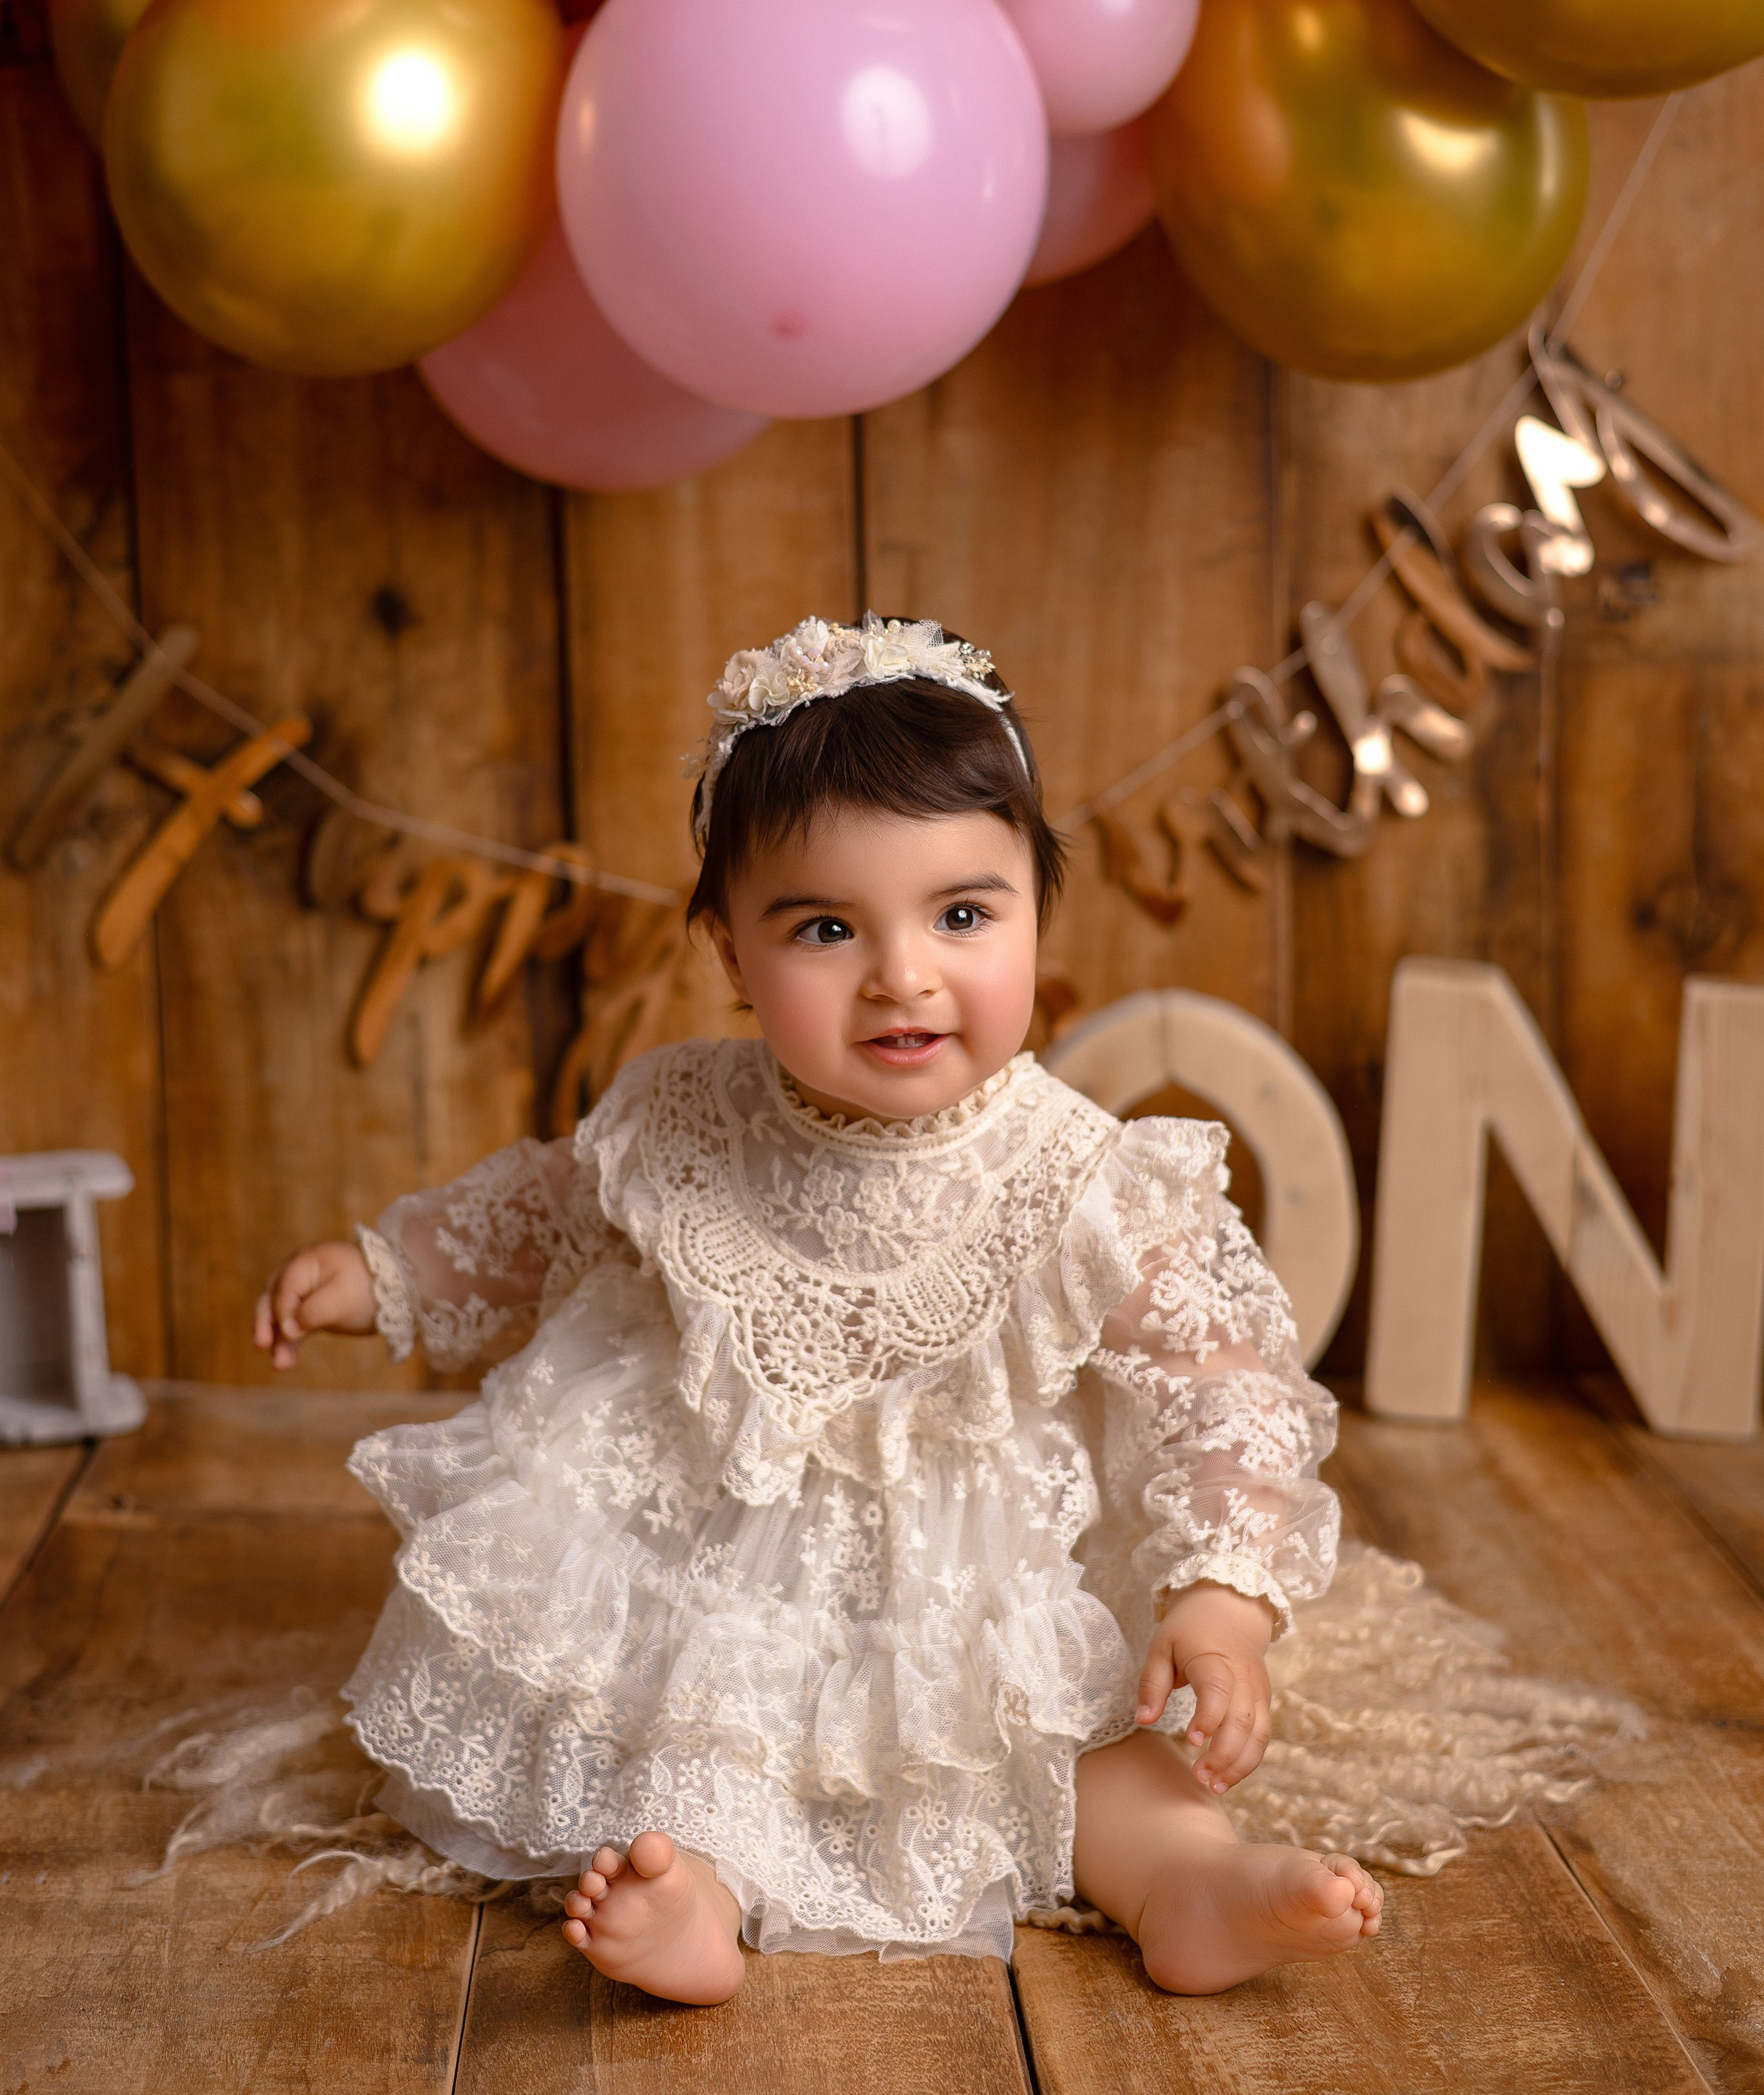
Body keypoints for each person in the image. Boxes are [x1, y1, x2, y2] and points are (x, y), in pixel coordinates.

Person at [254, 612, 1388, 2005]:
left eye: (962, 916)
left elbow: (1224, 1389)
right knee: (706, 1737)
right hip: (723, 1554)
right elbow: (547, 1213)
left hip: (980, 1578)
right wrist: (390, 1275)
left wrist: (1218, 1607)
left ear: (1038, 908)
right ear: (730, 950)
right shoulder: (678, 1117)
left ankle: (1187, 1883)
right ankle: (700, 1903)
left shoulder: (1084, 1177)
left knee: (1080, 1743)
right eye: (825, 928)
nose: (901, 974)